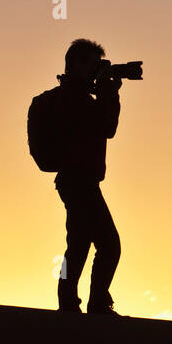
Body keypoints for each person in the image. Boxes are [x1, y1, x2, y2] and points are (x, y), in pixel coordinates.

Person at [32, 38, 124, 316]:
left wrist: (106, 90)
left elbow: (106, 127)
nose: (97, 71)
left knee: (80, 244)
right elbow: (107, 127)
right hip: (79, 182)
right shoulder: (74, 100)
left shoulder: (79, 98)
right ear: (76, 64)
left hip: (77, 181)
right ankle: (94, 303)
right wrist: (108, 92)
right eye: (93, 65)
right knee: (109, 245)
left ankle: (69, 302)